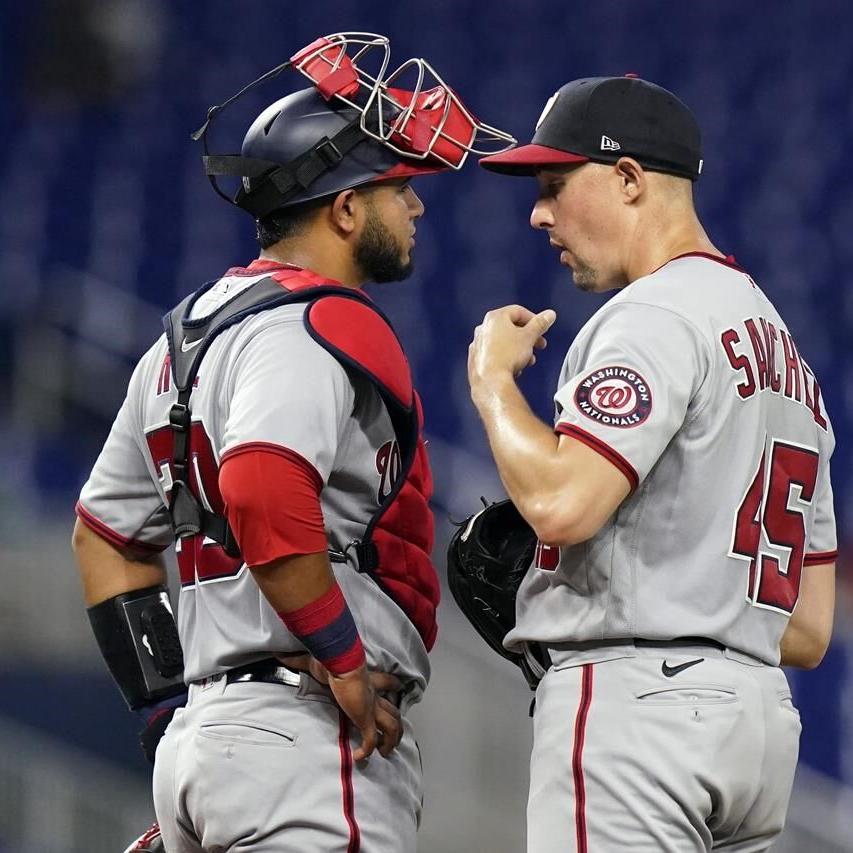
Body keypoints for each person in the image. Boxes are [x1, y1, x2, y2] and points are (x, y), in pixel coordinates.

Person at [71, 33, 512, 853]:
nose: (414, 207)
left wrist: (171, 713)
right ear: (344, 208)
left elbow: (106, 538)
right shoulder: (315, 323)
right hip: (306, 736)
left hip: (211, 741)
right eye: (396, 188)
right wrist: (343, 660)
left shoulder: (181, 340)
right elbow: (262, 488)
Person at [469, 75, 837, 852]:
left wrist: (494, 383)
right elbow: (805, 627)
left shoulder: (651, 316)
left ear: (628, 179)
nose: (538, 213)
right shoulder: (786, 356)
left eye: (554, 185)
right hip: (756, 727)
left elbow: (563, 505)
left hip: (640, 716)